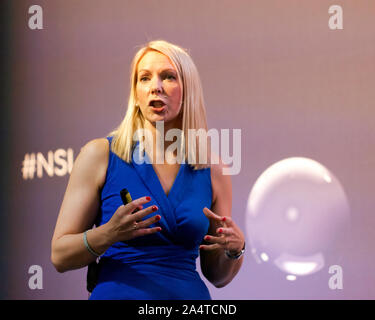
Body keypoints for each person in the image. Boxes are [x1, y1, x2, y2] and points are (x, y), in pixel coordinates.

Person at [51, 40, 245, 300]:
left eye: (168, 77)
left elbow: (217, 277)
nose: (156, 87)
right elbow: (60, 256)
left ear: (188, 90)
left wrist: (235, 249)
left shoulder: (212, 168)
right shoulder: (100, 155)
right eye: (144, 78)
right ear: (136, 92)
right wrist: (109, 233)